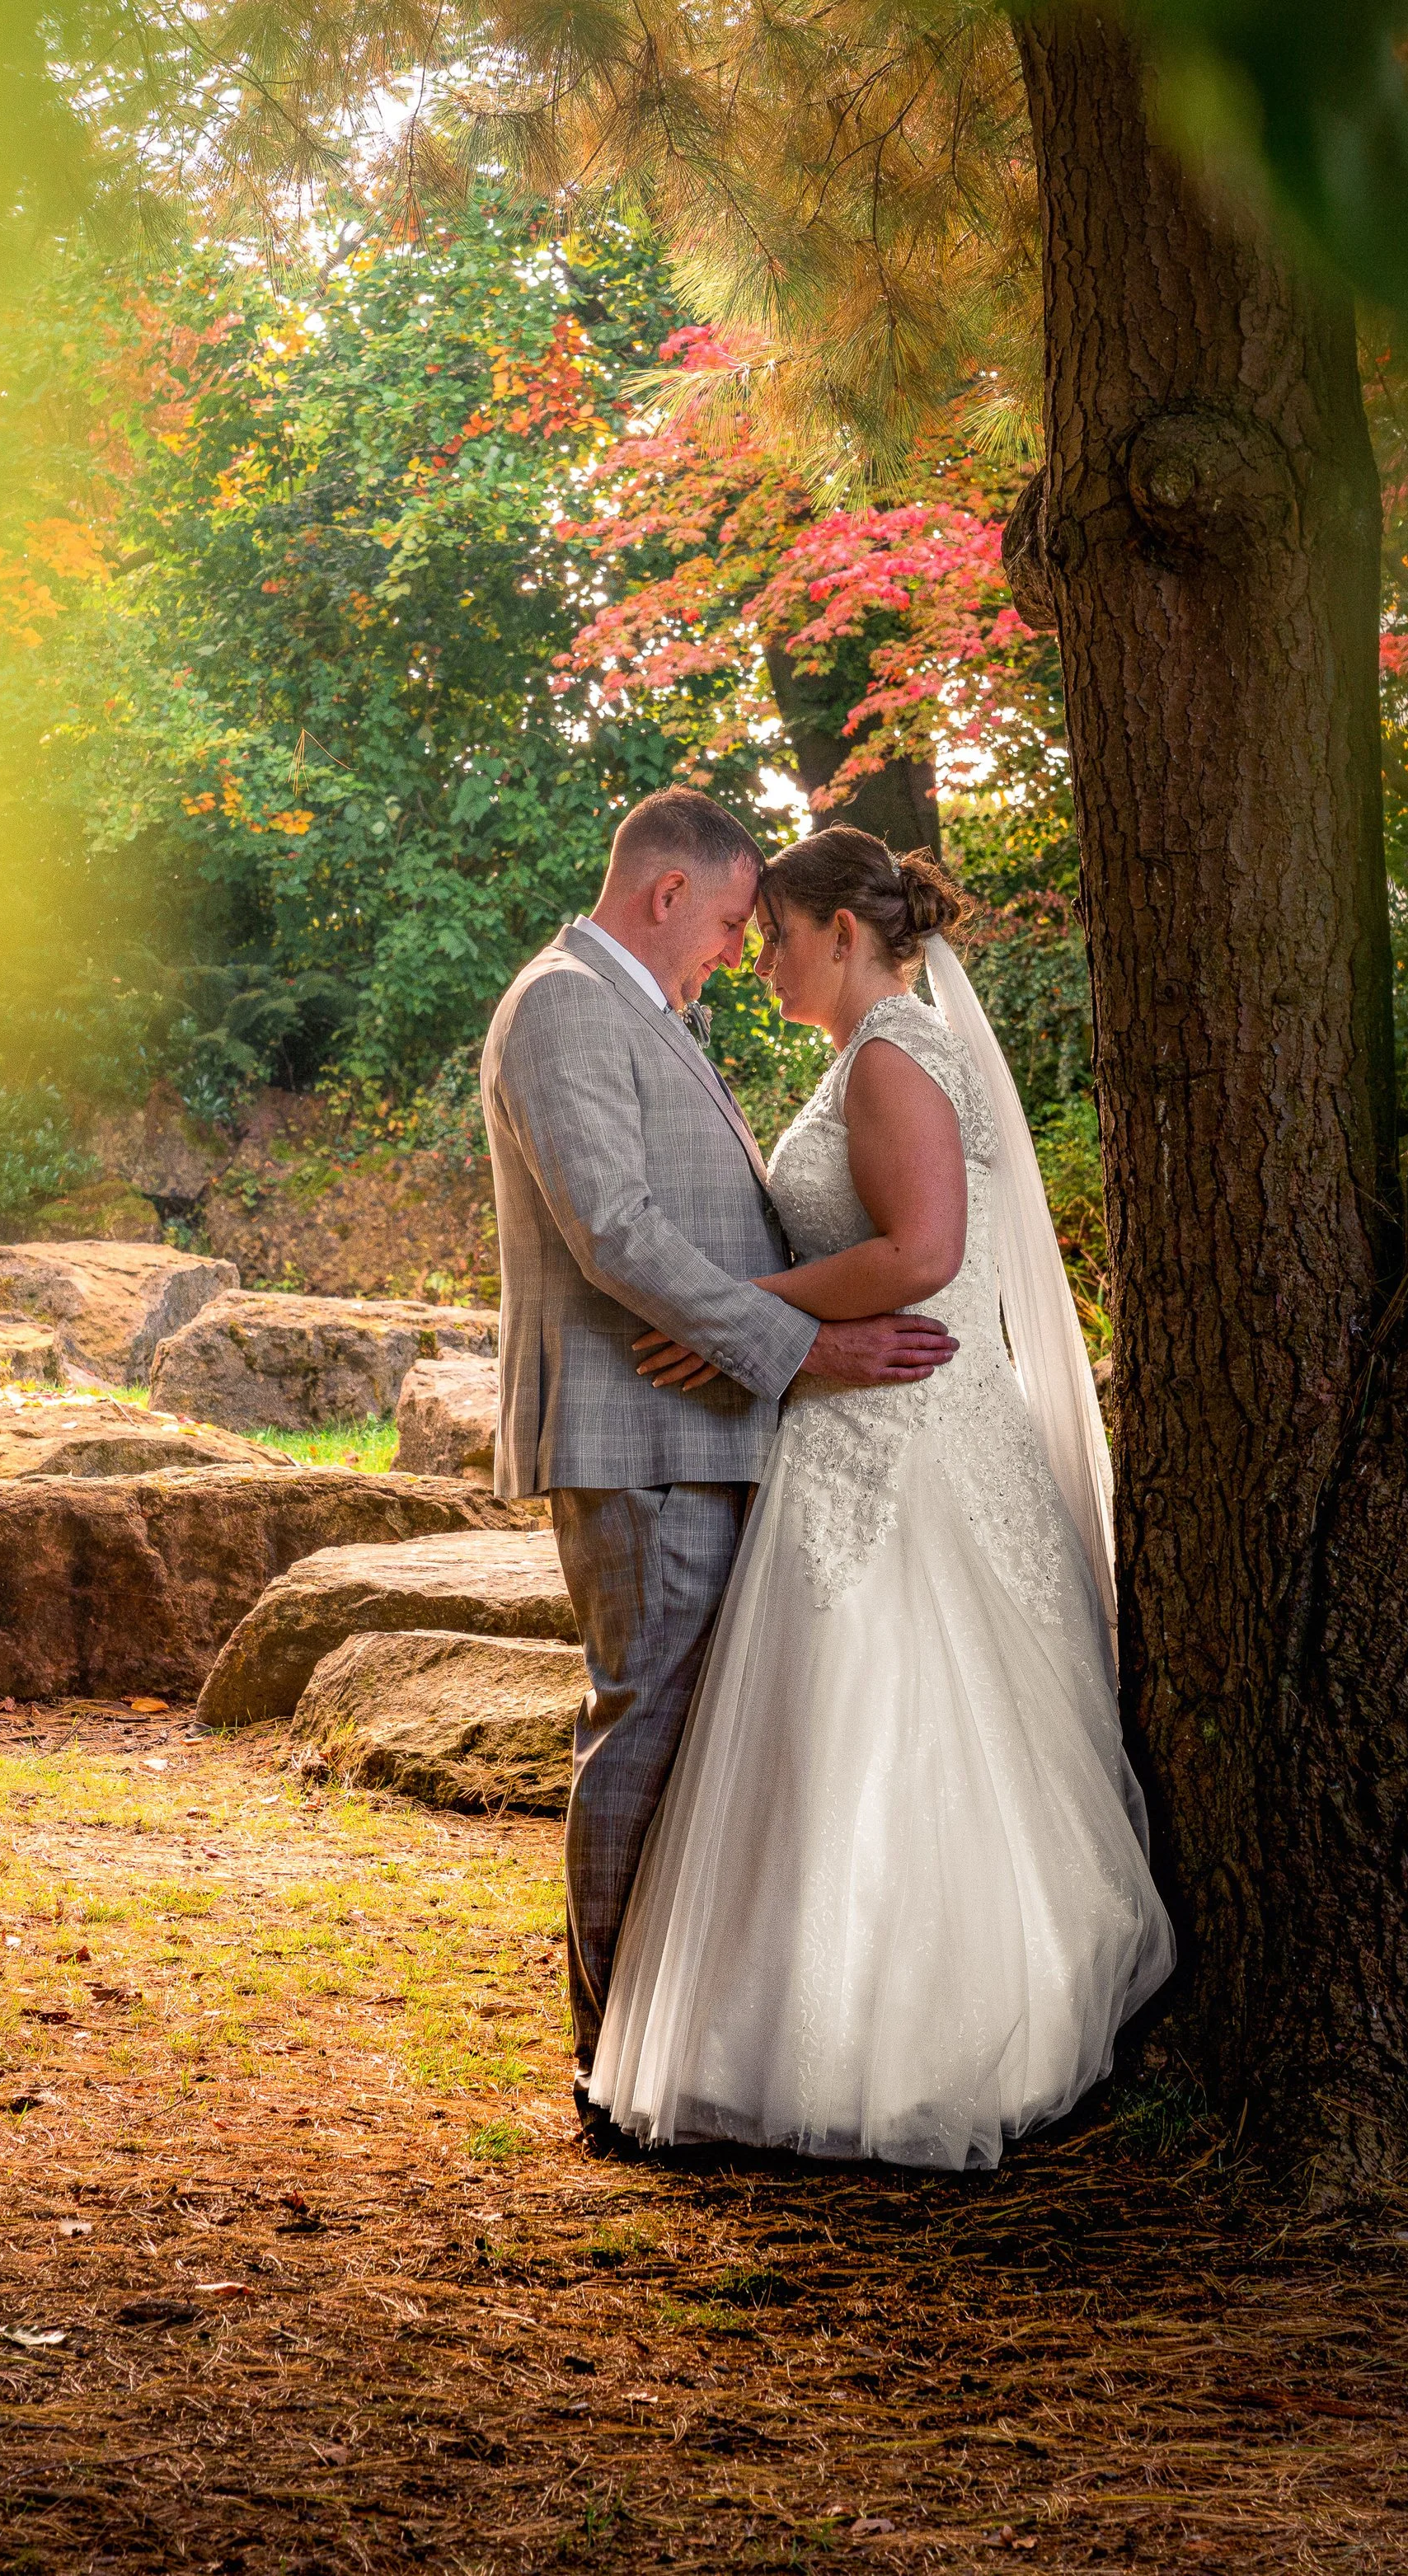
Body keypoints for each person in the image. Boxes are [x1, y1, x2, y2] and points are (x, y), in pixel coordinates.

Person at [587, 826, 1174, 2170]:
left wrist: (739, 1314)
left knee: (898, 1707)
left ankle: (909, 2040)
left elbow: (920, 1253)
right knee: (845, 1722)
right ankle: (817, 2024)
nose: (763, 961)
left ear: (841, 933)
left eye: (778, 937)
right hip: (866, 1414)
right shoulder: (876, 1055)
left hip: (904, 1429)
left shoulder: (897, 1054)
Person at [477, 788, 958, 2141]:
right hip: (646, 1432)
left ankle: (673, 2047)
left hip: (697, 1431)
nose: (739, 955)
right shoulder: (567, 1002)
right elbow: (614, 1231)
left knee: (694, 1741)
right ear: (668, 893)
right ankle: (613, 2072)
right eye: (734, 921)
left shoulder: (629, 1008)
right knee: (649, 1732)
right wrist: (798, 1345)